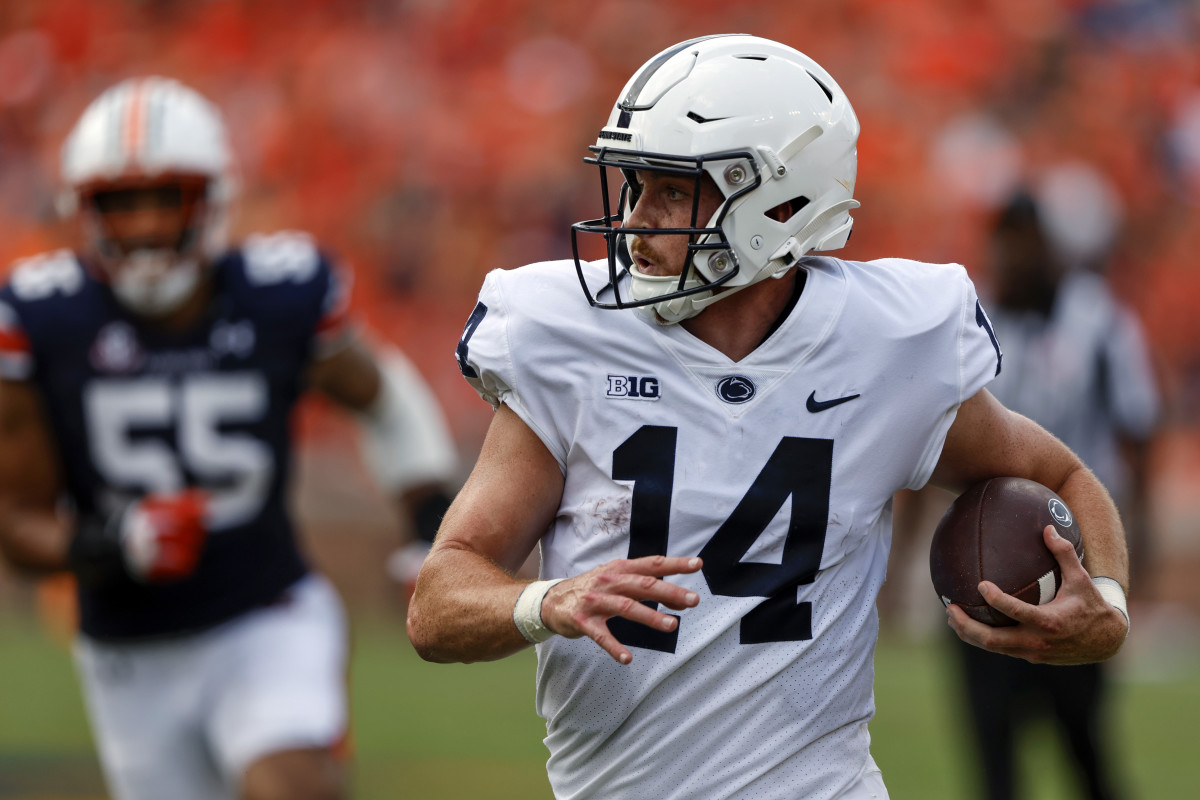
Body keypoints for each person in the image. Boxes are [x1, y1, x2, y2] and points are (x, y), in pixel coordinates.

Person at [406, 35, 1131, 800]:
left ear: (779, 205)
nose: (635, 222)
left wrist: (1108, 603)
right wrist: (544, 600)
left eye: (672, 191)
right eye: (634, 186)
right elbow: (436, 603)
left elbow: (1062, 472)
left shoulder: (885, 342)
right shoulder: (569, 334)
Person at [0, 76, 458, 800]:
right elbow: (14, 520)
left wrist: (431, 515)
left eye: (164, 199)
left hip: (264, 613)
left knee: (292, 783)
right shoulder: (43, 316)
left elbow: (382, 393)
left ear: (209, 201)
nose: (146, 227)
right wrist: (105, 546)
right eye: (122, 205)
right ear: (84, 211)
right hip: (128, 645)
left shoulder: (279, 291)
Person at [947, 190, 1159, 800]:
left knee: (1083, 742)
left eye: (1021, 243)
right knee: (992, 750)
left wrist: (1131, 542)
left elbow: (1137, 427)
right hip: (981, 557)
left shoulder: (1101, 319)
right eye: (1001, 242)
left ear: (1049, 249)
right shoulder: (975, 314)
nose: (1007, 257)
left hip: (1078, 557)